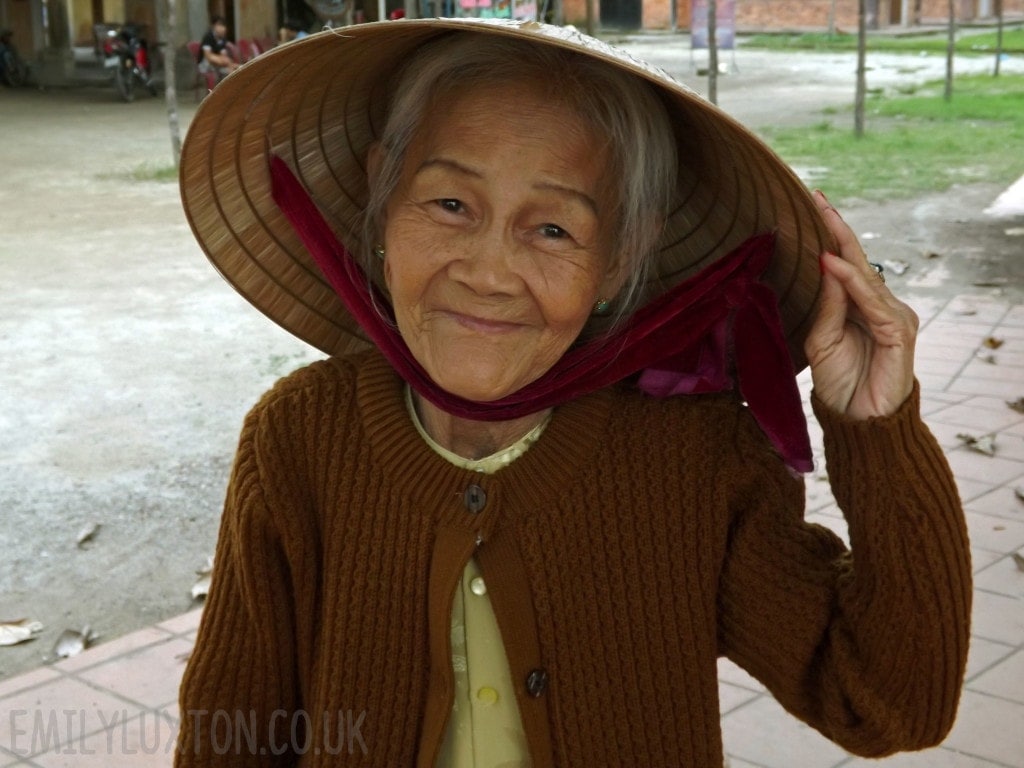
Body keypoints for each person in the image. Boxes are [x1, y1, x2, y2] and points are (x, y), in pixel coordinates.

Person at [175, 19, 971, 768]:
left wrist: (877, 430)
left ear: (620, 258)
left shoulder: (694, 458)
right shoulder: (302, 439)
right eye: (451, 205)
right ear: (384, 195)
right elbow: (230, 736)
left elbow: (891, 704)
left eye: (552, 229)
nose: (487, 273)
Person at [196, 15, 237, 84]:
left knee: (235, 68)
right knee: (229, 66)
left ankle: (232, 86)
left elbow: (224, 55)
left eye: (223, 26)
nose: (222, 28)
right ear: (213, 26)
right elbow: (208, 57)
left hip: (216, 64)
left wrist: (228, 62)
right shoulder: (208, 37)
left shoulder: (222, 39)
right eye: (219, 25)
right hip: (205, 64)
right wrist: (225, 62)